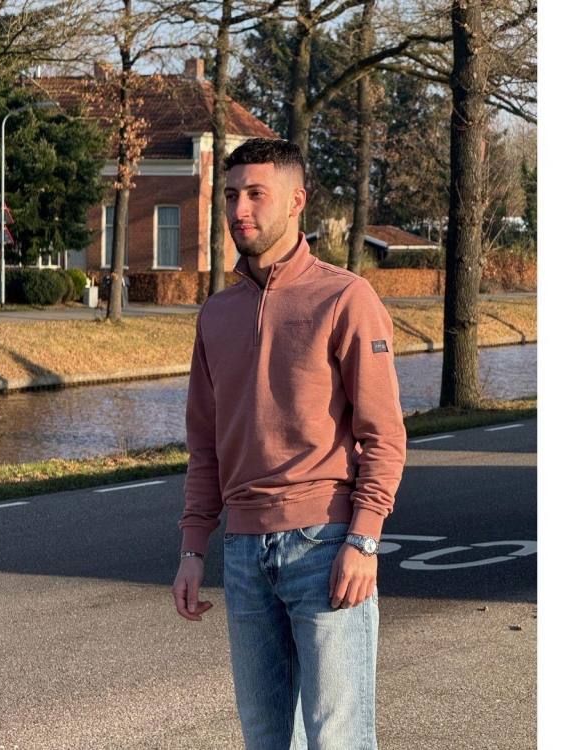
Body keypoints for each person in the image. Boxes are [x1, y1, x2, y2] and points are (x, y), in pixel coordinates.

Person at [172, 138, 407, 749]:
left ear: (297, 201)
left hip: (325, 546)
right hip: (243, 553)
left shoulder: (345, 297)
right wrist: (194, 548)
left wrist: (364, 538)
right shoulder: (216, 314)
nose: (239, 210)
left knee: (339, 739)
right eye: (231, 196)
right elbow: (205, 444)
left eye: (256, 194)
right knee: (266, 739)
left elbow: (383, 434)